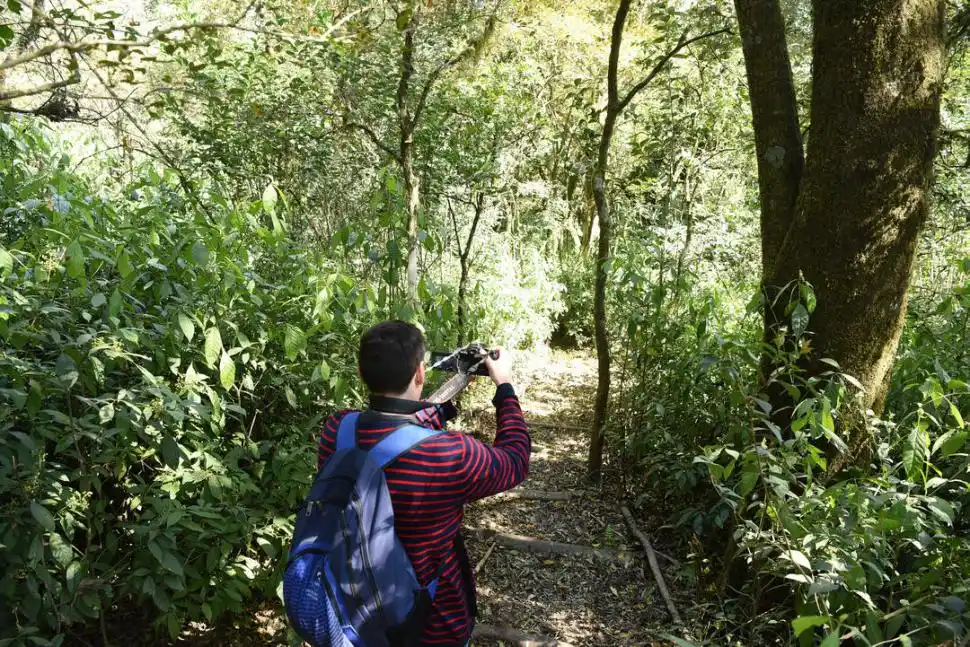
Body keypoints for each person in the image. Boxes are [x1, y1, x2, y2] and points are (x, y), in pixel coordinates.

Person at [317, 321, 531, 647]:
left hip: (356, 615)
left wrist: (452, 388)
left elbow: (392, 434)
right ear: (420, 372)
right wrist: (504, 385)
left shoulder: (337, 431)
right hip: (433, 625)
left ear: (361, 372)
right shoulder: (450, 454)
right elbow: (515, 460)